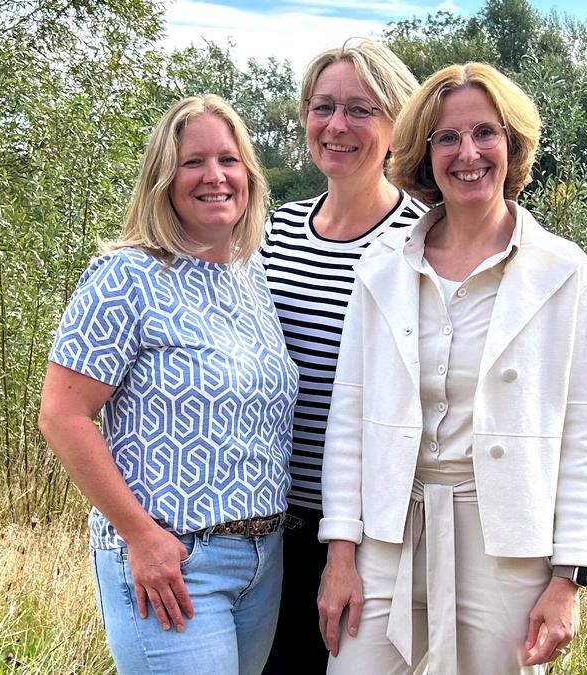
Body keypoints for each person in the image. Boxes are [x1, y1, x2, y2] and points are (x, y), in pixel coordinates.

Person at [316, 62, 587, 674]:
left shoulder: (563, 271)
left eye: (485, 132)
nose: (467, 152)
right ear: (424, 155)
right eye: (446, 137)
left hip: (508, 547)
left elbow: (583, 436)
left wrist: (568, 578)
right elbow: (348, 420)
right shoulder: (382, 267)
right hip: (388, 536)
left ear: (513, 144)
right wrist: (340, 555)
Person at [38, 94, 299, 674]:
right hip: (175, 562)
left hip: (262, 560)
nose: (215, 176)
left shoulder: (250, 277)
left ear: (249, 176)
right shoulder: (127, 274)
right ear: (163, 180)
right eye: (192, 162)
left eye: (229, 160)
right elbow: (62, 416)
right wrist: (141, 537)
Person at [260, 38, 423, 674]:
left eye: (360, 109)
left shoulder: (421, 244)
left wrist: (344, 549)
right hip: (264, 525)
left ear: (395, 126)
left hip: (366, 536)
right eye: (323, 106)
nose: (337, 126)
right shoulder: (272, 231)